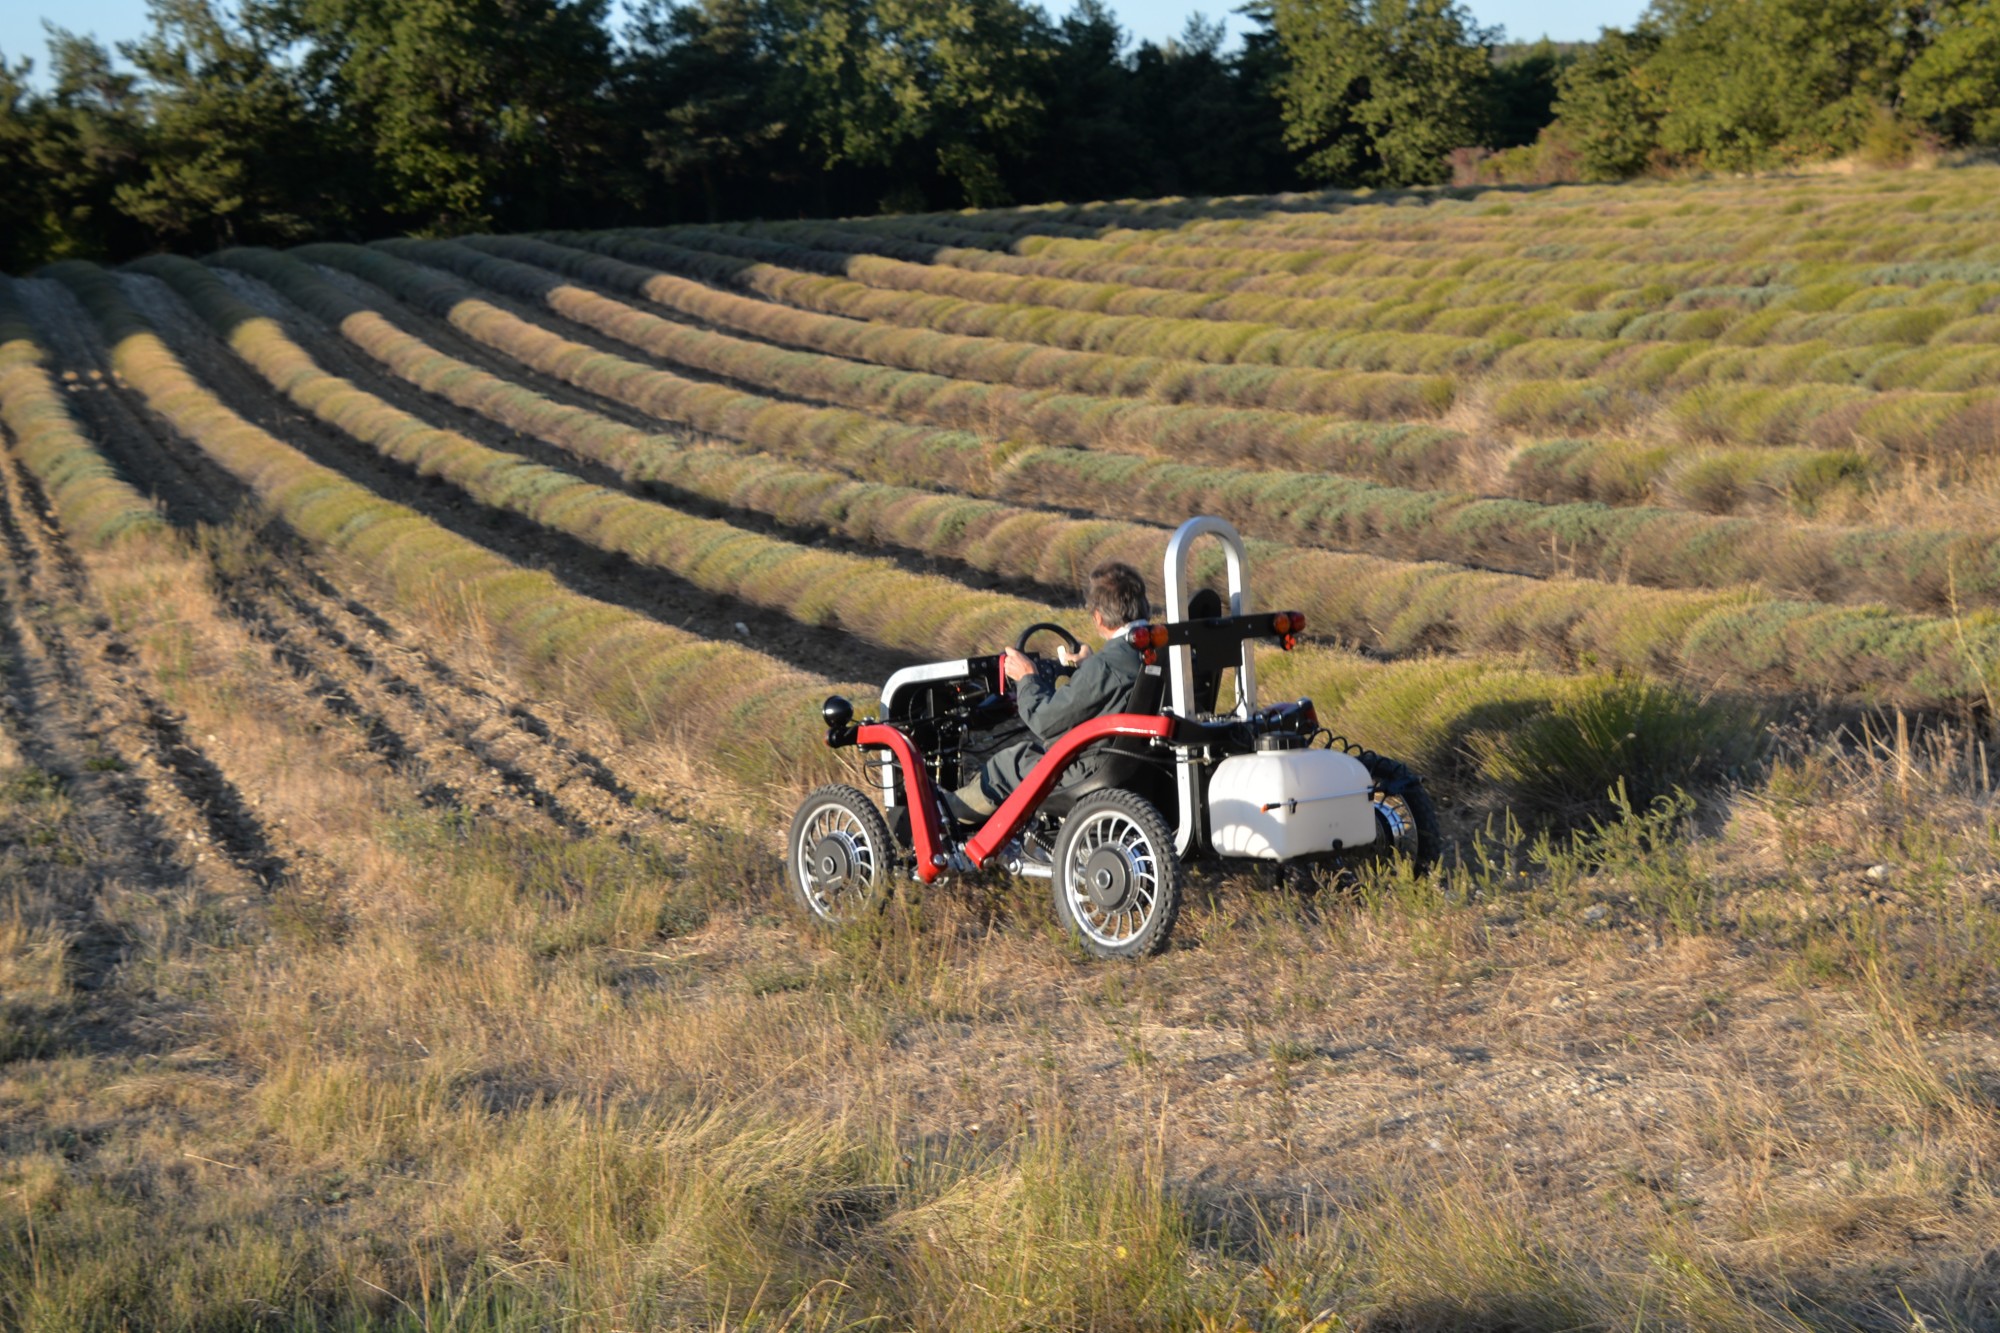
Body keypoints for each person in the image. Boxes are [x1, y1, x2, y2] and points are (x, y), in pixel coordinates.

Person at [947, 561, 1152, 822]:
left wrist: (1027, 677)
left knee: (1008, 764)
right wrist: (1089, 665)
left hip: (1092, 771)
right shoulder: (1155, 651)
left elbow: (1045, 720)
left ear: (1098, 617)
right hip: (1140, 765)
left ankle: (945, 819)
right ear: (1144, 606)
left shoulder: (1107, 665)